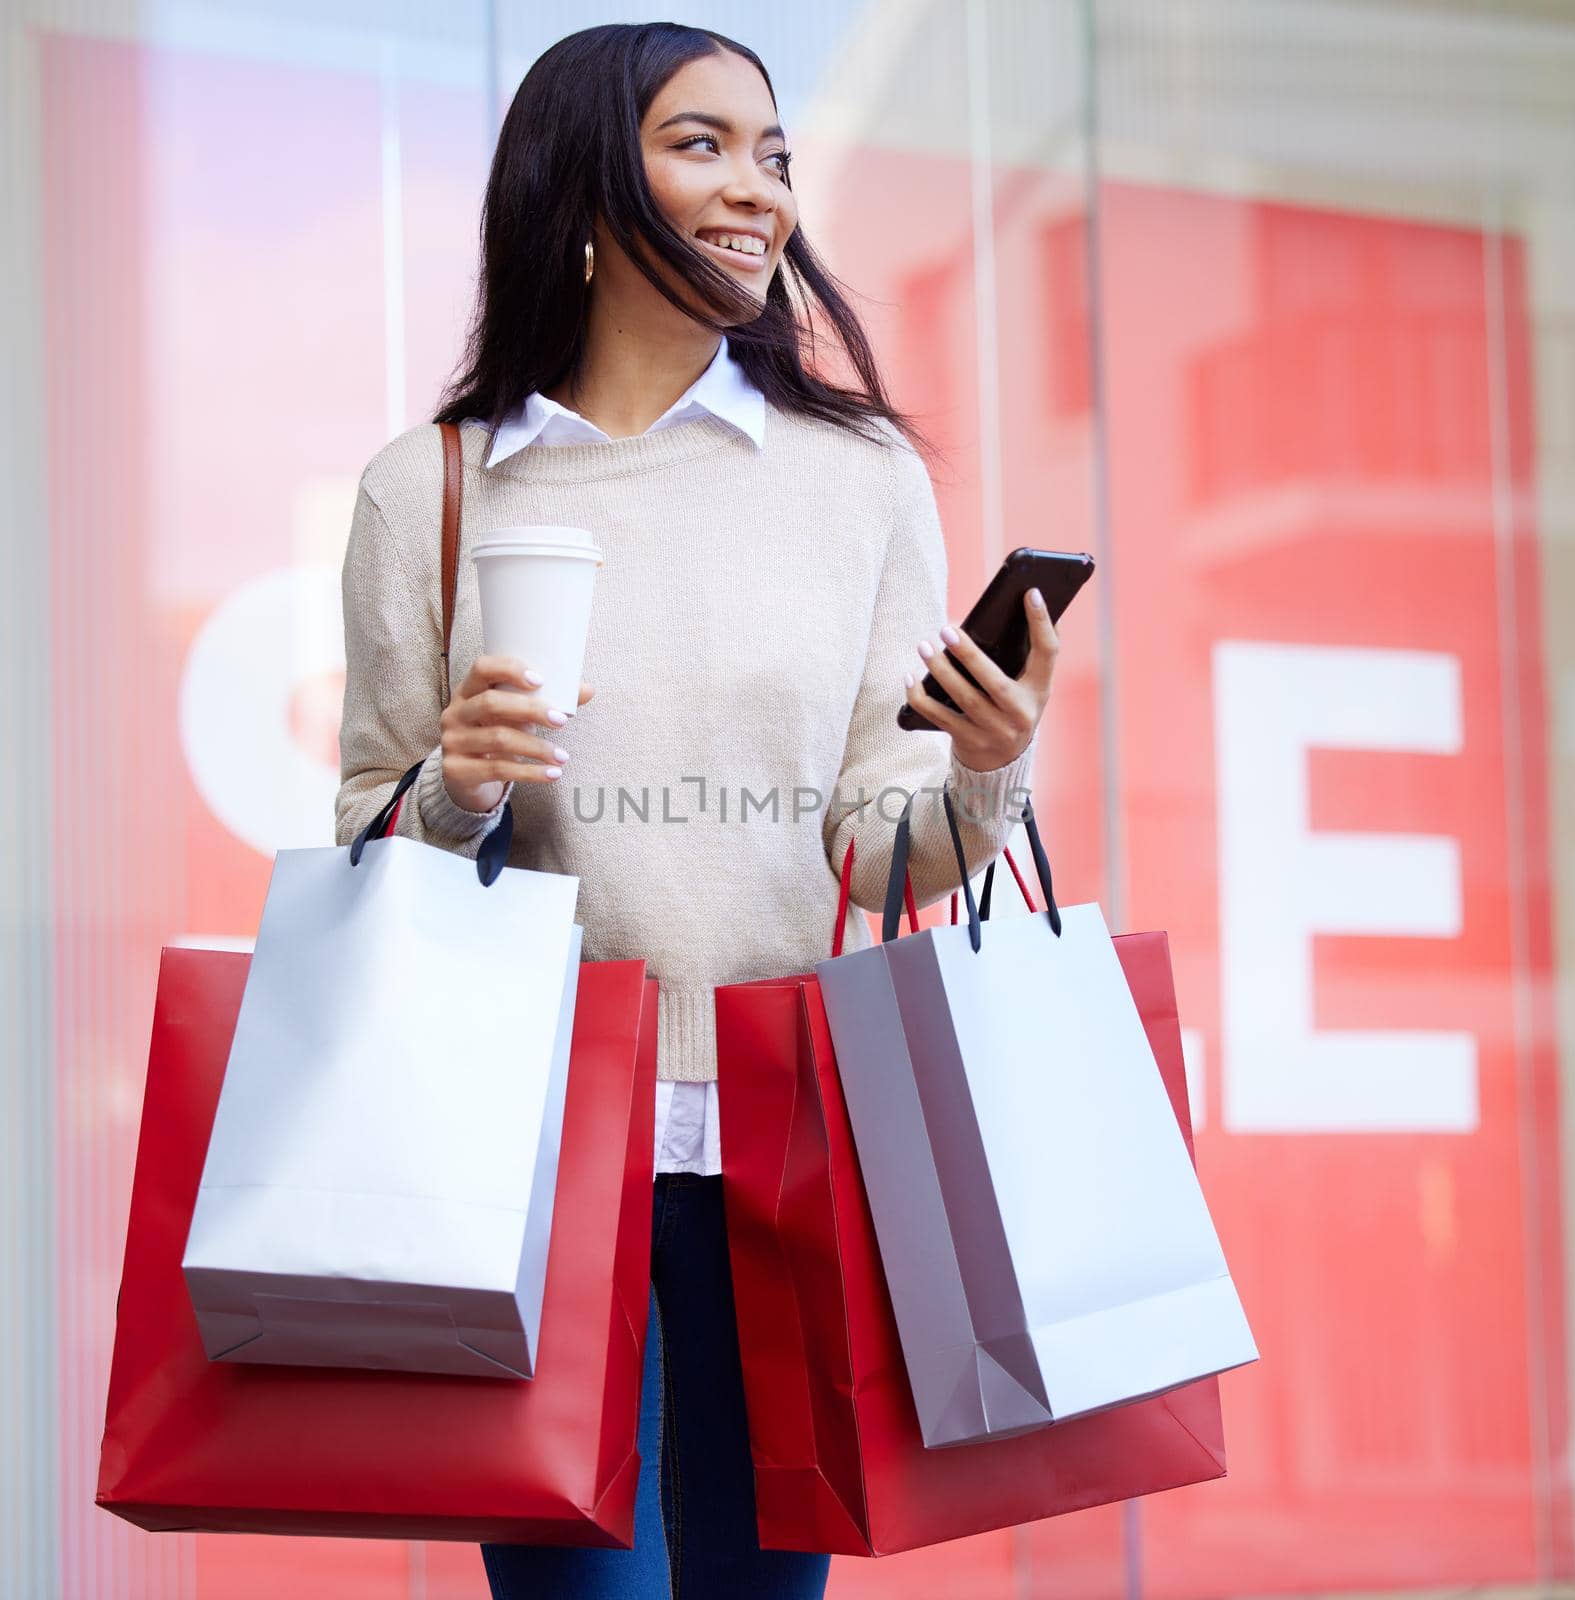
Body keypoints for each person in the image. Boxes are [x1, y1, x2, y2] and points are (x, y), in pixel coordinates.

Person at [335, 20, 1061, 1599]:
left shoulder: (856, 480)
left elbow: (877, 843)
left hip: (787, 1154)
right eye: (703, 144)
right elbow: (364, 840)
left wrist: (986, 769)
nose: (761, 191)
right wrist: (456, 779)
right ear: (589, 192)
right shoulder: (437, 487)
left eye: (776, 153)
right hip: (530, 1166)